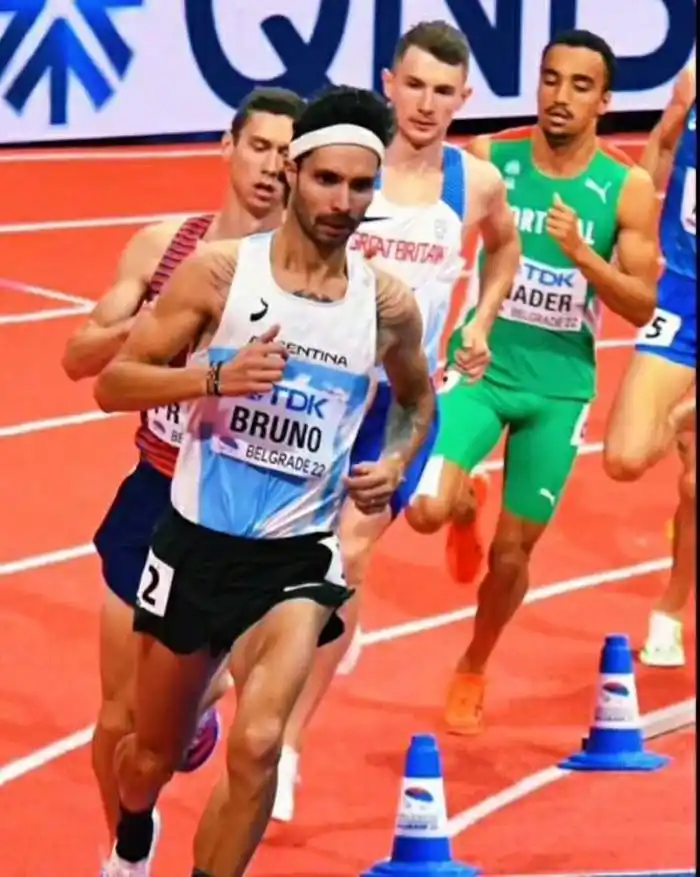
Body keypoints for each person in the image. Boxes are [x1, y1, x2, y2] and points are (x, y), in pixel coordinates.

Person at [92, 85, 434, 877]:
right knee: (151, 754)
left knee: (256, 743)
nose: (343, 201)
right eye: (327, 180)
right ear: (294, 169)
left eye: (360, 185)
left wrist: (395, 460)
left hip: (296, 557)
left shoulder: (385, 304)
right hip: (194, 544)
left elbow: (416, 401)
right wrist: (214, 377)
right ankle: (133, 836)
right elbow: (117, 382)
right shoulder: (219, 276)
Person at [273, 19, 520, 821]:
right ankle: (338, 621)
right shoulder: (352, 169)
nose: (425, 103)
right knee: (291, 561)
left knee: (340, 558)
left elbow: (506, 249)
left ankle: (287, 746)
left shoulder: (474, 183)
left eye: (443, 92)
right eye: (413, 85)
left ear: (464, 99)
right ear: (389, 82)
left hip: (401, 405)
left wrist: (479, 321)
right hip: (317, 392)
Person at [61, 86, 305, 852]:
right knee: (117, 720)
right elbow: (78, 361)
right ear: (226, 147)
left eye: (289, 156)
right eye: (259, 146)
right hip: (155, 492)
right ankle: (126, 851)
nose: (271, 167)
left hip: (244, 508)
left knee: (222, 710)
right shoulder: (163, 244)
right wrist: (155, 323)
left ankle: (199, 695)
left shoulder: (304, 275)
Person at [408, 29, 661, 734]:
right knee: (425, 509)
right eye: (551, 79)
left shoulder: (626, 187)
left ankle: (474, 663)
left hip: (558, 390)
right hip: (482, 365)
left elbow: (642, 304)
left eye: (581, 85)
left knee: (513, 551)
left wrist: (583, 253)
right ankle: (462, 503)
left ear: (605, 101)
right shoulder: (493, 160)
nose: (561, 96)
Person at [604, 58, 696, 667]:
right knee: (625, 457)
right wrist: (624, 226)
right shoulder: (694, 81)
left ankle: (669, 610)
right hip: (684, 293)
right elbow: (660, 147)